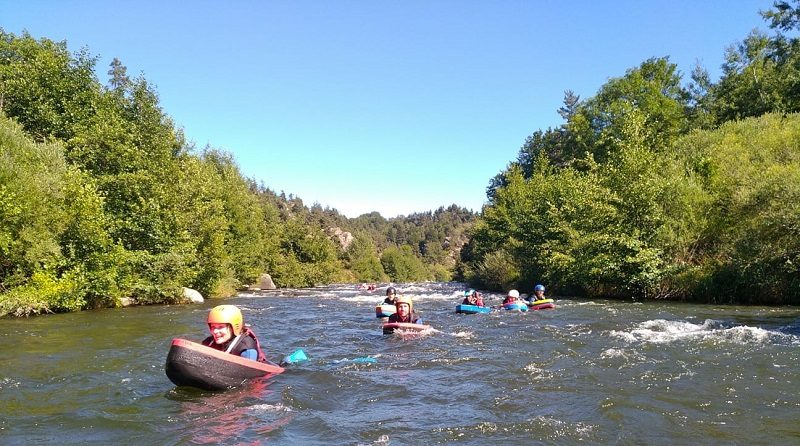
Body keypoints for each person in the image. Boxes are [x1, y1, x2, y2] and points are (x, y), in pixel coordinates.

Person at [202, 304, 267, 362]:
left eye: (220, 327)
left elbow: (247, 373)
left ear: (233, 328)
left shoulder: (247, 350)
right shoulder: (209, 342)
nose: (215, 331)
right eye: (213, 327)